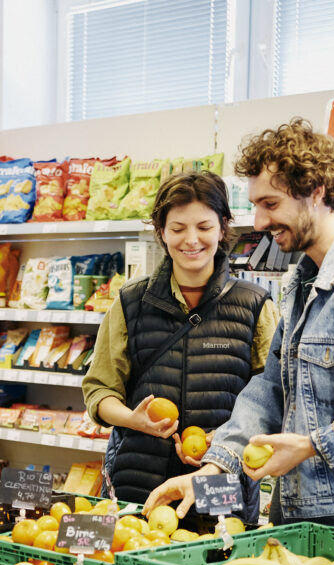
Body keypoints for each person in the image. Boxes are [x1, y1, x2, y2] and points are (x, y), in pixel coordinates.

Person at [145, 118, 334, 535]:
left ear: (316, 191)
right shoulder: (302, 284)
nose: (257, 221)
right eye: (255, 204)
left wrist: (312, 446)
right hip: (303, 513)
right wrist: (214, 469)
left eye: (270, 204)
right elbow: (269, 391)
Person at [81, 170, 277, 520]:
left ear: (223, 227)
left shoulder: (256, 305)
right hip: (138, 481)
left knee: (216, 563)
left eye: (204, 227)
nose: (192, 240)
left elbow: (274, 399)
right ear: (161, 233)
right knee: (134, 561)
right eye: (177, 228)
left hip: (219, 485)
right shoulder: (130, 303)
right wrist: (133, 419)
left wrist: (225, 440)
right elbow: (100, 390)